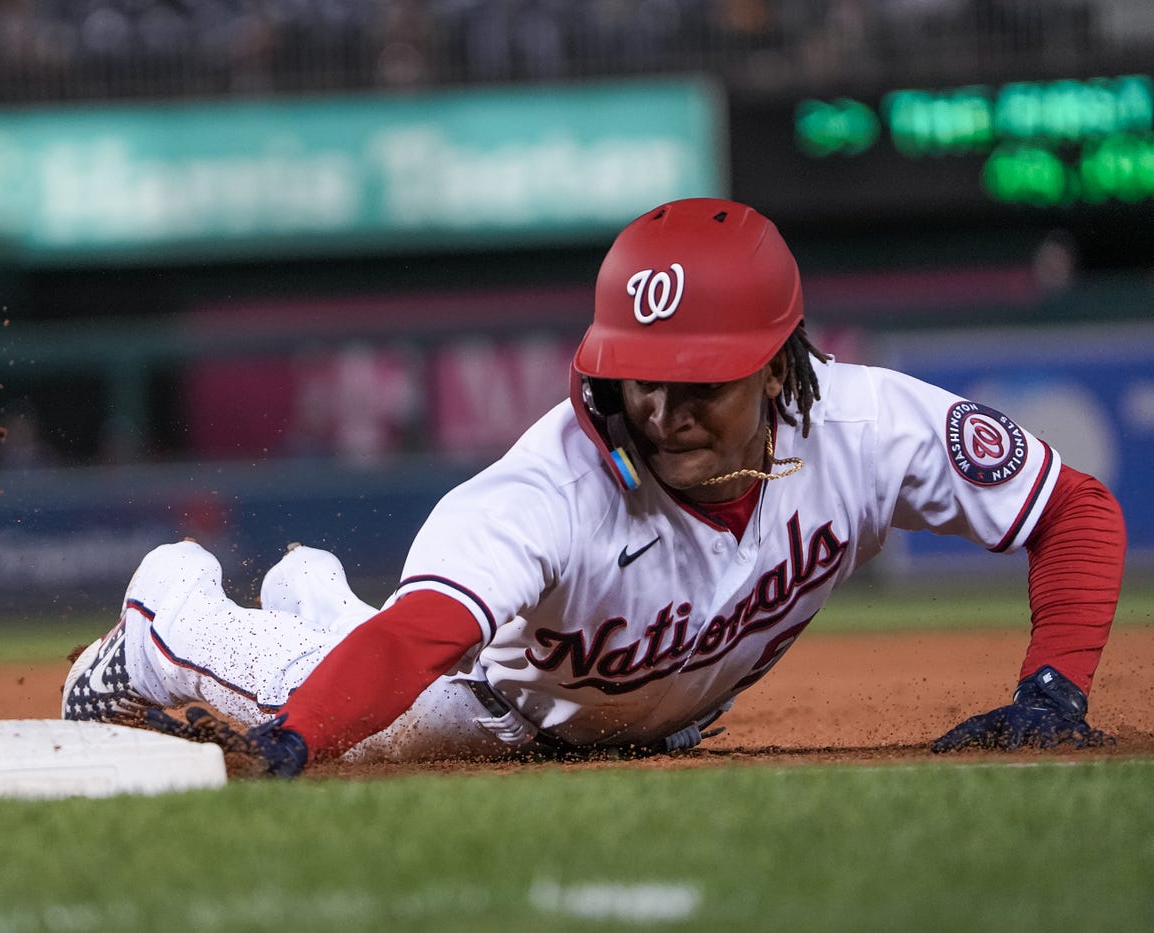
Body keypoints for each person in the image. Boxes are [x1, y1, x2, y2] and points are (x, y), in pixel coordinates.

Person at [62, 198, 1126, 776]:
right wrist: (291, 745)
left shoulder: (862, 425)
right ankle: (163, 616)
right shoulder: (550, 487)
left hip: (637, 715)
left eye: (698, 383)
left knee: (355, 635)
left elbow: (1072, 509)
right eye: (639, 378)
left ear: (778, 362)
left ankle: (311, 589)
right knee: (334, 699)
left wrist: (1051, 692)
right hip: (474, 699)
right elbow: (417, 639)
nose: (660, 412)